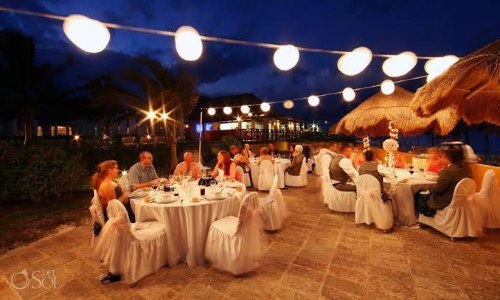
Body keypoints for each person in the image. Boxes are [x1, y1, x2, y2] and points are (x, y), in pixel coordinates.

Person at [416, 146, 469, 217]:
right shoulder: (465, 169)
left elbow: (437, 189)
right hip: (460, 200)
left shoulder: (448, 171)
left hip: (445, 201)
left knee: (418, 194)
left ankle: (417, 219)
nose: (441, 158)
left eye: (443, 156)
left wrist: (428, 188)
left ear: (448, 157)